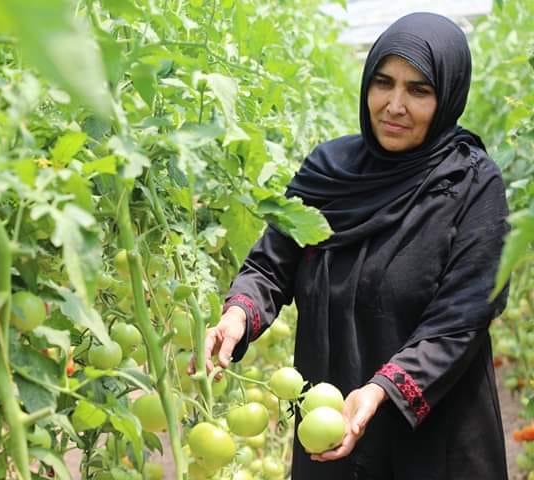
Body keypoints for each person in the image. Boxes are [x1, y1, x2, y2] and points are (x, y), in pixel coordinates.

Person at [196, 12, 510, 480]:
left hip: (432, 429)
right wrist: (239, 314)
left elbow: (461, 317)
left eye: (419, 90)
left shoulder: (471, 184)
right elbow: (271, 264)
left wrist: (383, 389)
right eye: (383, 83)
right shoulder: (329, 171)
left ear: (448, 97)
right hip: (331, 416)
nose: (394, 105)